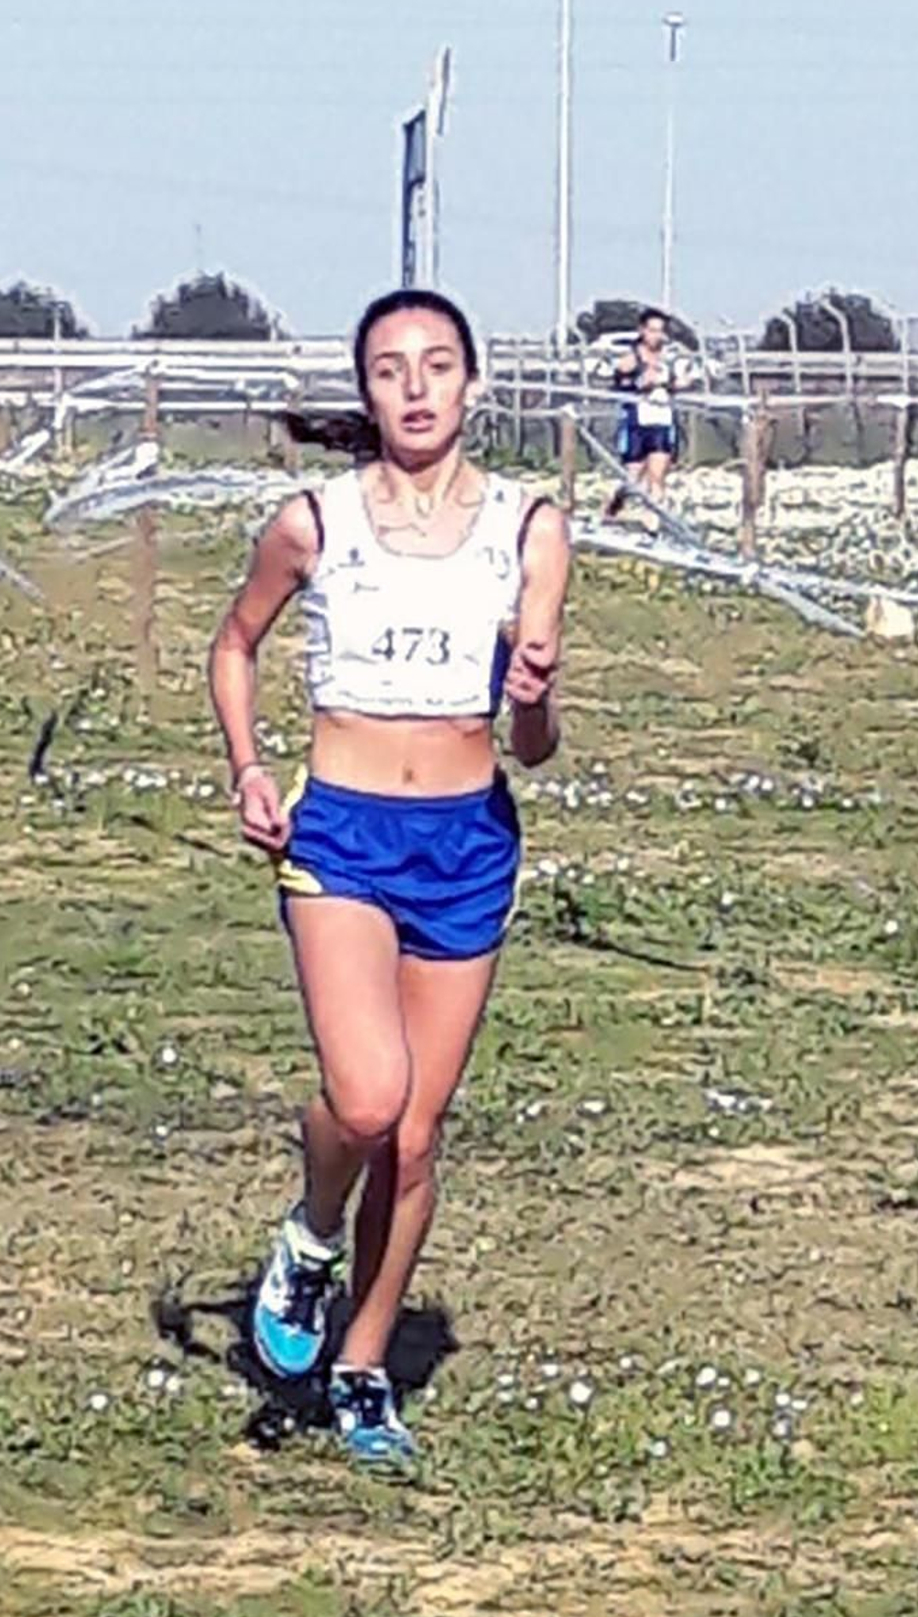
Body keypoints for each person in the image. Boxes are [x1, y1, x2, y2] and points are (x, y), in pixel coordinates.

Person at [209, 289, 570, 1467]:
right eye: (388, 369)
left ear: (473, 382)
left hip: (465, 844)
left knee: (413, 1136)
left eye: (437, 364)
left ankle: (362, 1369)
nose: (415, 388)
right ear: (364, 390)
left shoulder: (530, 529)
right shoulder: (313, 523)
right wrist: (249, 768)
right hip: (342, 838)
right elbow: (234, 644)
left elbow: (533, 744)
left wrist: (534, 696)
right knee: (365, 1101)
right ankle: (312, 1234)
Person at [603, 305, 696, 517]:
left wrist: (677, 383)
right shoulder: (630, 358)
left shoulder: (670, 357)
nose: (656, 336)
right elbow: (617, 385)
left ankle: (653, 525)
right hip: (637, 422)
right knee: (632, 479)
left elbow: (679, 381)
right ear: (642, 330)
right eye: (652, 330)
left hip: (662, 421)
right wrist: (638, 383)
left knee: (657, 478)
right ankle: (611, 509)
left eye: (660, 331)